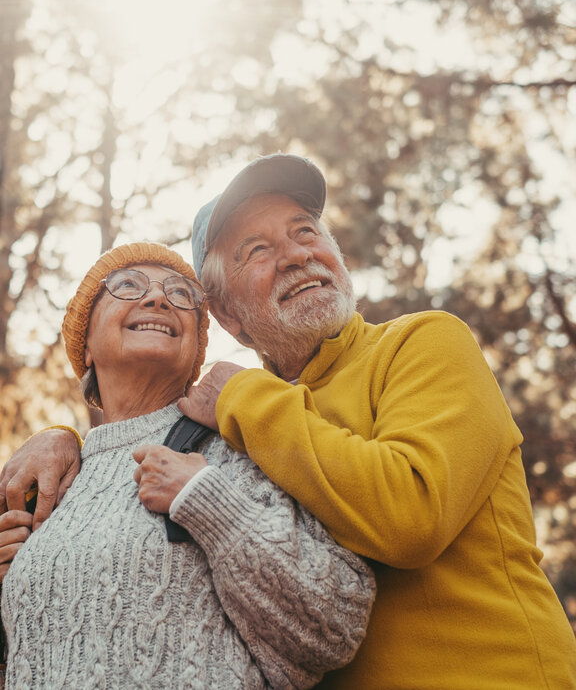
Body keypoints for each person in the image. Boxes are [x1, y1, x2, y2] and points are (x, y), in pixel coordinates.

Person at [2, 154, 576, 688]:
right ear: (227, 315)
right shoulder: (238, 424)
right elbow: (132, 448)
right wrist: (64, 441)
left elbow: (411, 516)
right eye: (256, 249)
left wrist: (243, 396)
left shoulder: (420, 344)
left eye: (306, 231)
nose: (297, 253)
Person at [0, 241, 376, 689]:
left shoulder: (238, 447)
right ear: (85, 347)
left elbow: (335, 627)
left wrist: (208, 501)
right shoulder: (49, 481)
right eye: (126, 286)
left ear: (197, 348)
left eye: (181, 294)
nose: (158, 299)